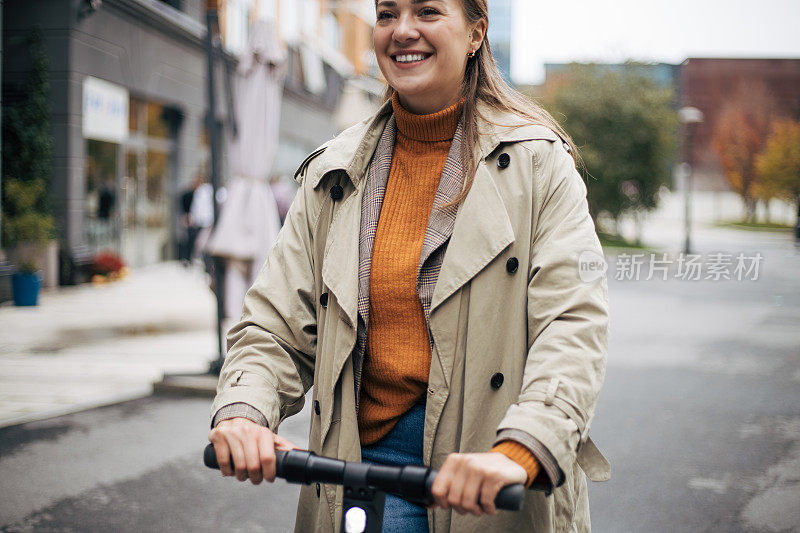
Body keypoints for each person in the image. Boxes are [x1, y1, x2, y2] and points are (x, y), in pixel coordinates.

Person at [208, 1, 610, 531]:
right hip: (362, 467)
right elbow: (274, 324)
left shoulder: (541, 165)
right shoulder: (333, 171)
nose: (402, 31)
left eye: (426, 11)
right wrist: (244, 407)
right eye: (386, 12)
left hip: (490, 466)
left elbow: (572, 322)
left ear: (475, 33)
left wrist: (525, 445)